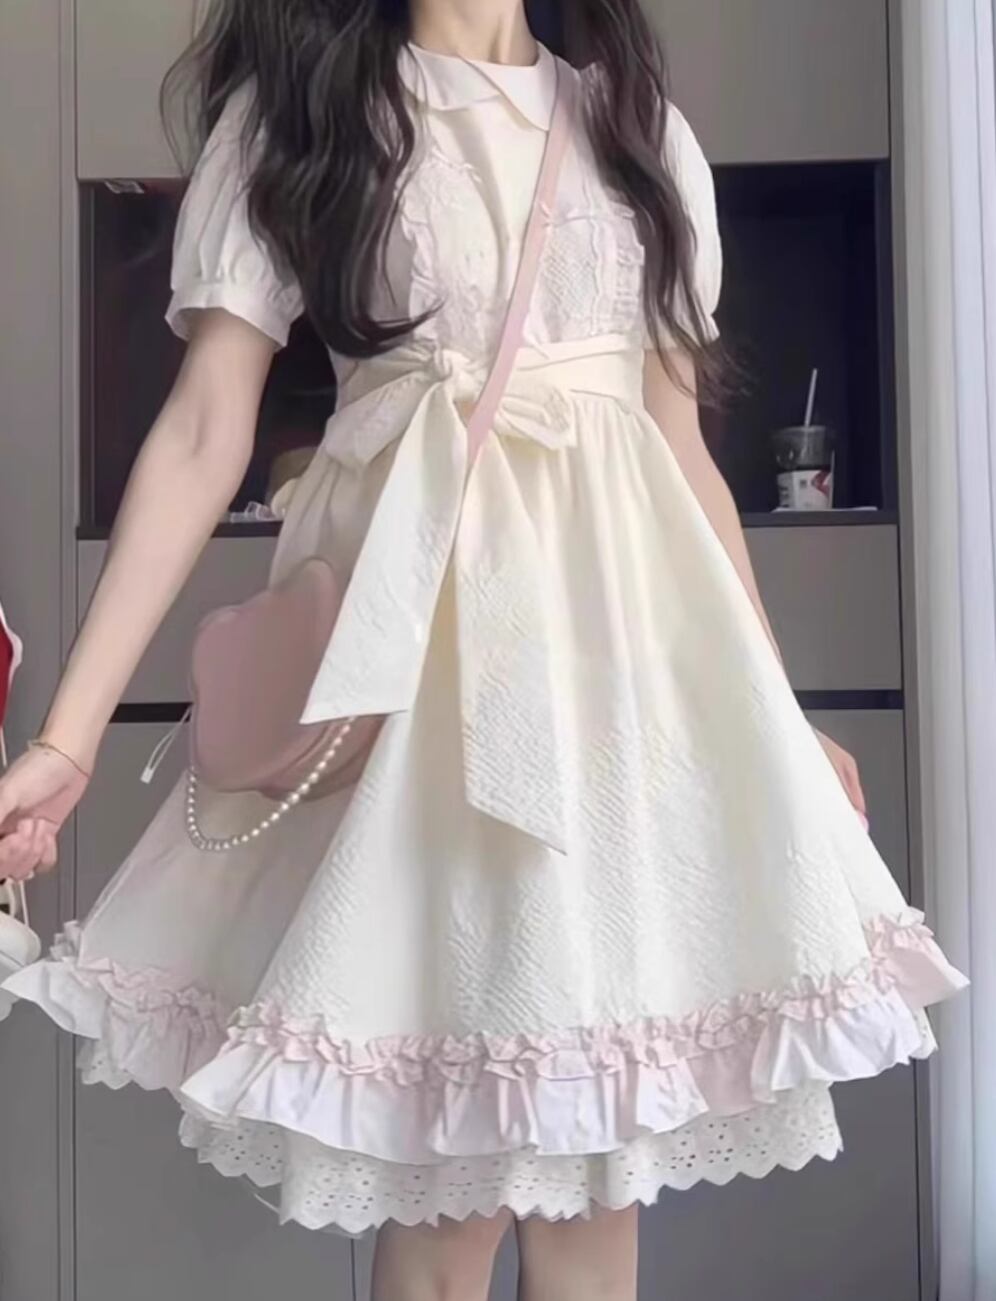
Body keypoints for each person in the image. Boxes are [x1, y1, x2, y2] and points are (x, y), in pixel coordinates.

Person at [0, 2, 966, 1298]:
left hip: (621, 693)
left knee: (597, 1189)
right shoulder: (304, 119)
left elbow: (678, 450)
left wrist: (778, 717)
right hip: (430, 694)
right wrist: (67, 739)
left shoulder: (637, 129)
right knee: (454, 1195)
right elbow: (201, 430)